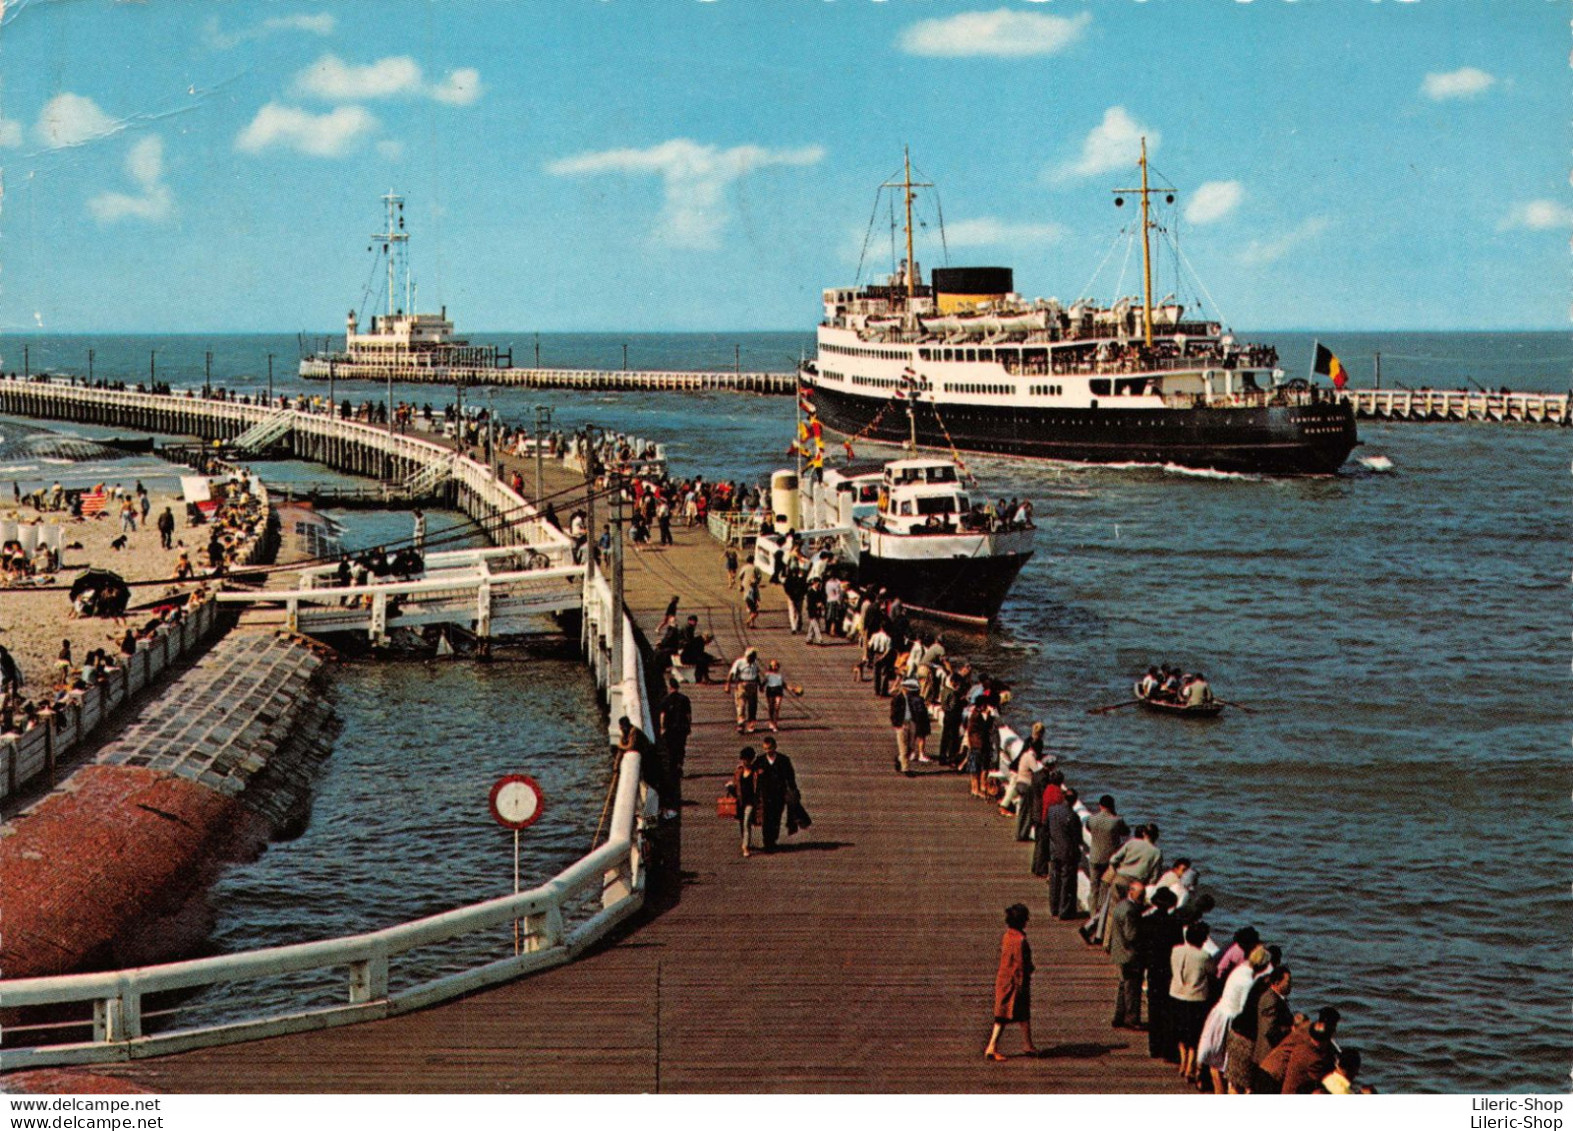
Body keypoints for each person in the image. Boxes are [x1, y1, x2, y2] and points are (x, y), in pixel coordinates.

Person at [984, 903, 1038, 1061]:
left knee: (1020, 1015)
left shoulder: (1007, 936)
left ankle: (1028, 1044)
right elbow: (1021, 964)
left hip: (1004, 979)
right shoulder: (1020, 940)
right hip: (1015, 984)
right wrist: (1024, 980)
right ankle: (992, 1046)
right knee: (1004, 1016)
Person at [1170, 921, 1216, 1087]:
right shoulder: (1204, 956)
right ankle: (1190, 1065)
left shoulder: (1176, 950)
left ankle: (1183, 1063)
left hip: (1176, 993)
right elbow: (1213, 972)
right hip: (1196, 998)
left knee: (1180, 1031)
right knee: (1194, 1034)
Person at [1082, 796, 1131, 938]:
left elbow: (1088, 828)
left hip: (1095, 857)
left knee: (1094, 886)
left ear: (1100, 805)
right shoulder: (1117, 821)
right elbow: (1125, 832)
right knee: (1107, 888)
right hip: (1110, 860)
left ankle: (1092, 915)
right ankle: (1100, 918)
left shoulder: (1092, 819)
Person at [1107, 879, 1146, 1030]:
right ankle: (1131, 1018)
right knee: (1132, 988)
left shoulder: (1121, 905)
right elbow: (1131, 935)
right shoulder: (1131, 911)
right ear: (1131, 892)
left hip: (1120, 951)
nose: (1142, 898)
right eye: (1140, 894)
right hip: (1129, 954)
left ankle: (1119, 1016)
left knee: (1124, 985)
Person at [753, 735, 798, 852]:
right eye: (765, 749)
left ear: (775, 747)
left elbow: (790, 776)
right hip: (765, 793)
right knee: (767, 817)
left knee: (776, 817)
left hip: (779, 793)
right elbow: (752, 773)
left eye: (769, 748)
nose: (768, 751)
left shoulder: (783, 760)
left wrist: (793, 790)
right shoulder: (760, 760)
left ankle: (773, 839)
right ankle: (767, 841)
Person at [1045, 786, 1083, 919]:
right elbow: (1077, 838)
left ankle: (1054, 907)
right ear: (1075, 801)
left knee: (1055, 879)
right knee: (1067, 882)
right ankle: (1064, 910)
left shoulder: (1052, 810)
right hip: (1068, 853)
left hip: (1054, 849)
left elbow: (1047, 828)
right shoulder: (1073, 816)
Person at [658, 675, 692, 788]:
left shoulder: (665, 700)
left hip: (670, 729)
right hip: (681, 728)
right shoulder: (685, 699)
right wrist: (689, 726)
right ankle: (679, 764)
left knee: (671, 749)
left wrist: (662, 728)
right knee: (681, 747)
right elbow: (688, 715)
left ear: (670, 687)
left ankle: (673, 769)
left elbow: (662, 716)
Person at [725, 647, 762, 734]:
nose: (754, 658)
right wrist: (728, 685)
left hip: (753, 686)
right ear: (748, 656)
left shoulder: (755, 663)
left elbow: (757, 675)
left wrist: (760, 685)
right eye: (752, 656)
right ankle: (741, 723)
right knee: (741, 704)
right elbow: (731, 673)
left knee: (753, 705)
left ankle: (751, 723)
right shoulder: (739, 662)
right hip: (742, 685)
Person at [733, 746, 759, 857]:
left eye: (747, 760)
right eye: (743, 759)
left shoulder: (756, 772)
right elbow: (735, 784)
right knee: (742, 823)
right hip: (740, 801)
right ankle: (745, 840)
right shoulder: (739, 771)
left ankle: (745, 847)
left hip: (751, 801)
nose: (745, 762)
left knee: (746, 822)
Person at [762, 659, 788, 732]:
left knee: (776, 707)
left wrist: (792, 688)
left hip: (778, 692)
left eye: (776, 665)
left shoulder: (779, 676)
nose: (774, 667)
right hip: (770, 692)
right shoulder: (768, 675)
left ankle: (775, 724)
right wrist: (761, 687)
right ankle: (771, 720)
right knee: (771, 707)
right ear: (770, 666)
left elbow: (783, 684)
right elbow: (764, 682)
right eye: (773, 665)